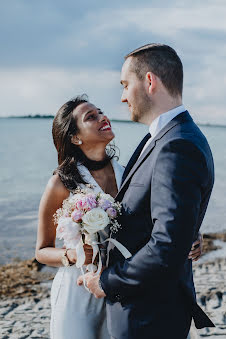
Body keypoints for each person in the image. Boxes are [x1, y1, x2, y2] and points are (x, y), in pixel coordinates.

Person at [36, 93, 202, 339]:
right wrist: (73, 255)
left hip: (121, 284)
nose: (103, 117)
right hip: (78, 290)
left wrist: (189, 235)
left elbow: (159, 219)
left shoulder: (131, 174)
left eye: (100, 111)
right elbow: (41, 251)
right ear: (75, 137)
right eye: (91, 117)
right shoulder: (60, 184)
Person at [80, 44, 215, 339]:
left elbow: (166, 246)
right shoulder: (166, 138)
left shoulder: (177, 145)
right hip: (147, 309)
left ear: (150, 81)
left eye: (125, 85)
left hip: (148, 317)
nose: (122, 96)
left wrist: (107, 282)